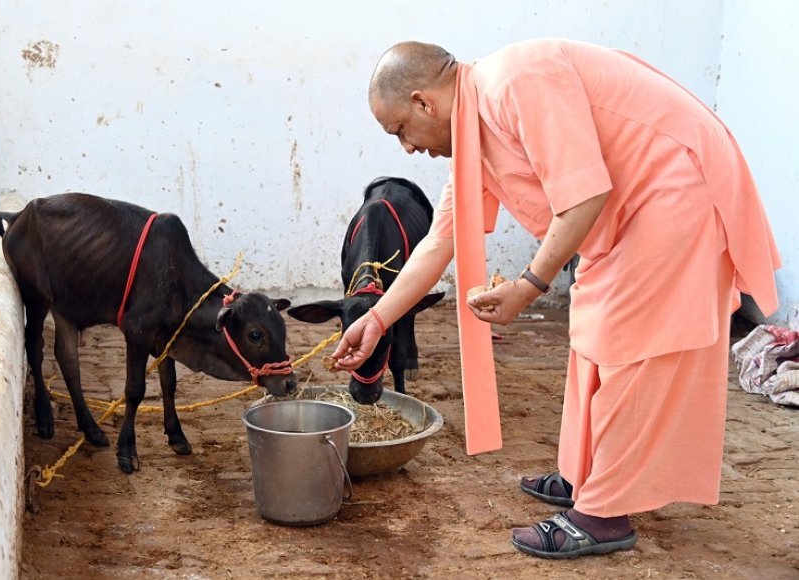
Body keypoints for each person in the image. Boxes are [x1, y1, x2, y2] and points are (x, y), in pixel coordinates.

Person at [331, 39, 780, 559]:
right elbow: (442, 238)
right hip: (634, 204)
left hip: (677, 188)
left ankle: (603, 514)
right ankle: (584, 475)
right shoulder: (475, 127)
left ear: (424, 102)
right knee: (592, 331)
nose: (407, 149)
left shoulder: (516, 82)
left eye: (401, 131)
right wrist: (379, 319)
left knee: (628, 343)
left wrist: (529, 285)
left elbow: (586, 194)